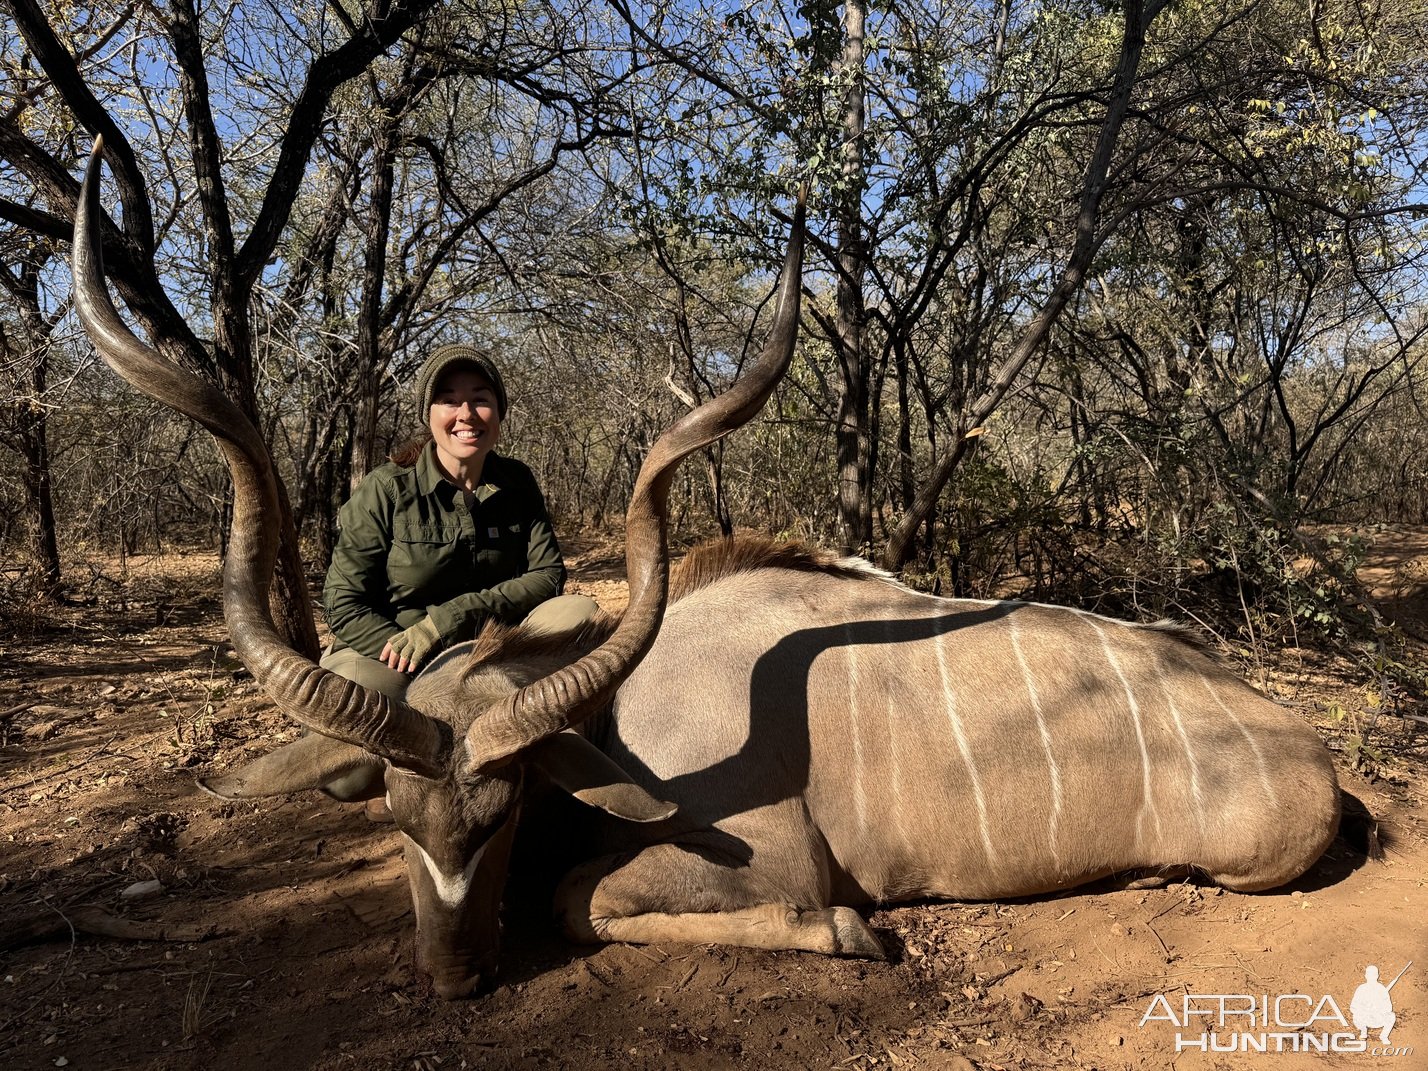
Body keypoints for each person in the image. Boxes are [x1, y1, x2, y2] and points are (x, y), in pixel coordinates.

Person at [320, 344, 596, 809]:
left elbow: (548, 576)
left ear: (499, 412)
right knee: (344, 778)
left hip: (490, 647)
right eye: (449, 399)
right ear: (429, 415)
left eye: (480, 398)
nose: (466, 413)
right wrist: (417, 655)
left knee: (581, 614)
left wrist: (449, 620)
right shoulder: (385, 489)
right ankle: (396, 788)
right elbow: (344, 604)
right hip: (396, 651)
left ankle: (541, 764)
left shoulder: (516, 481)